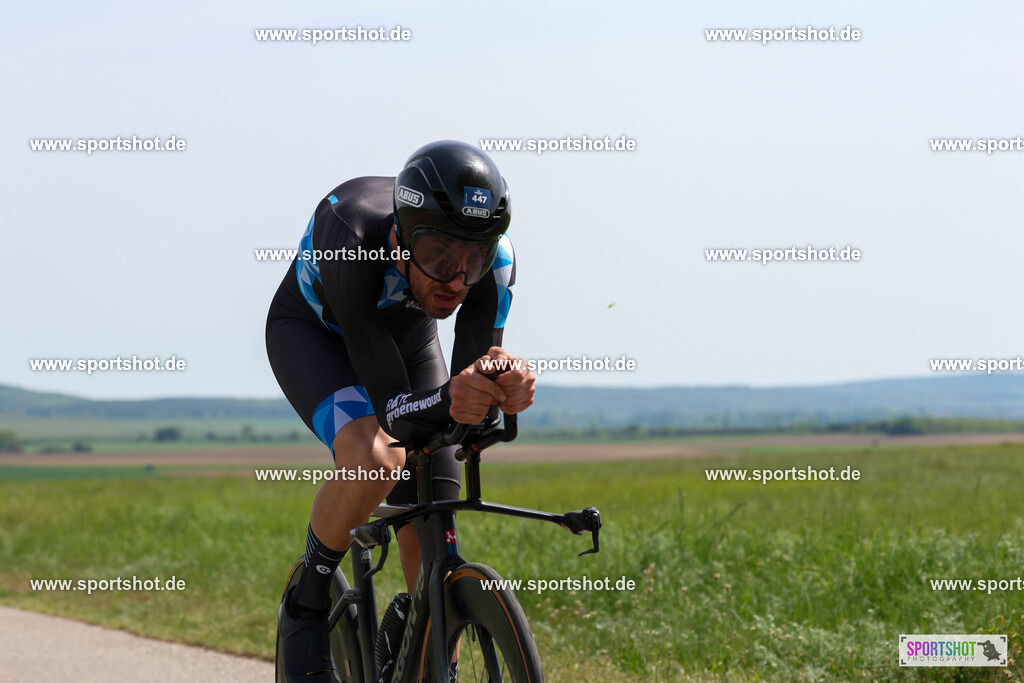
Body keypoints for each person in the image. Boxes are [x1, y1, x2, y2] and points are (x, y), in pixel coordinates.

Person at [265, 140, 536, 681]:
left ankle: (430, 636)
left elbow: (465, 397)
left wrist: (502, 386)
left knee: (437, 487)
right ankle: (308, 600)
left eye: (472, 260)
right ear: (403, 235)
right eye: (439, 256)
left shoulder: (495, 267)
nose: (457, 280)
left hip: (410, 346)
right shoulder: (353, 235)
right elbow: (395, 413)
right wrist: (456, 398)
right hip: (319, 337)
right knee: (376, 459)